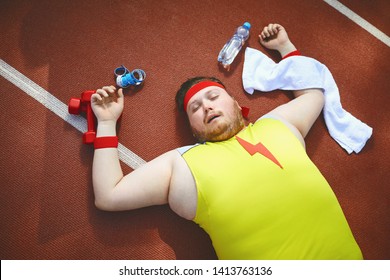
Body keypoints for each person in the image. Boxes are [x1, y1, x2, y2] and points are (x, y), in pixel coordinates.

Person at [90, 23, 363, 260]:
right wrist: (106, 122)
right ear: (193, 130)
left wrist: (285, 47)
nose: (206, 107)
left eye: (212, 97)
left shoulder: (276, 125)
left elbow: (315, 94)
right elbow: (109, 195)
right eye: (194, 108)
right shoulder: (184, 164)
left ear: (235, 103)